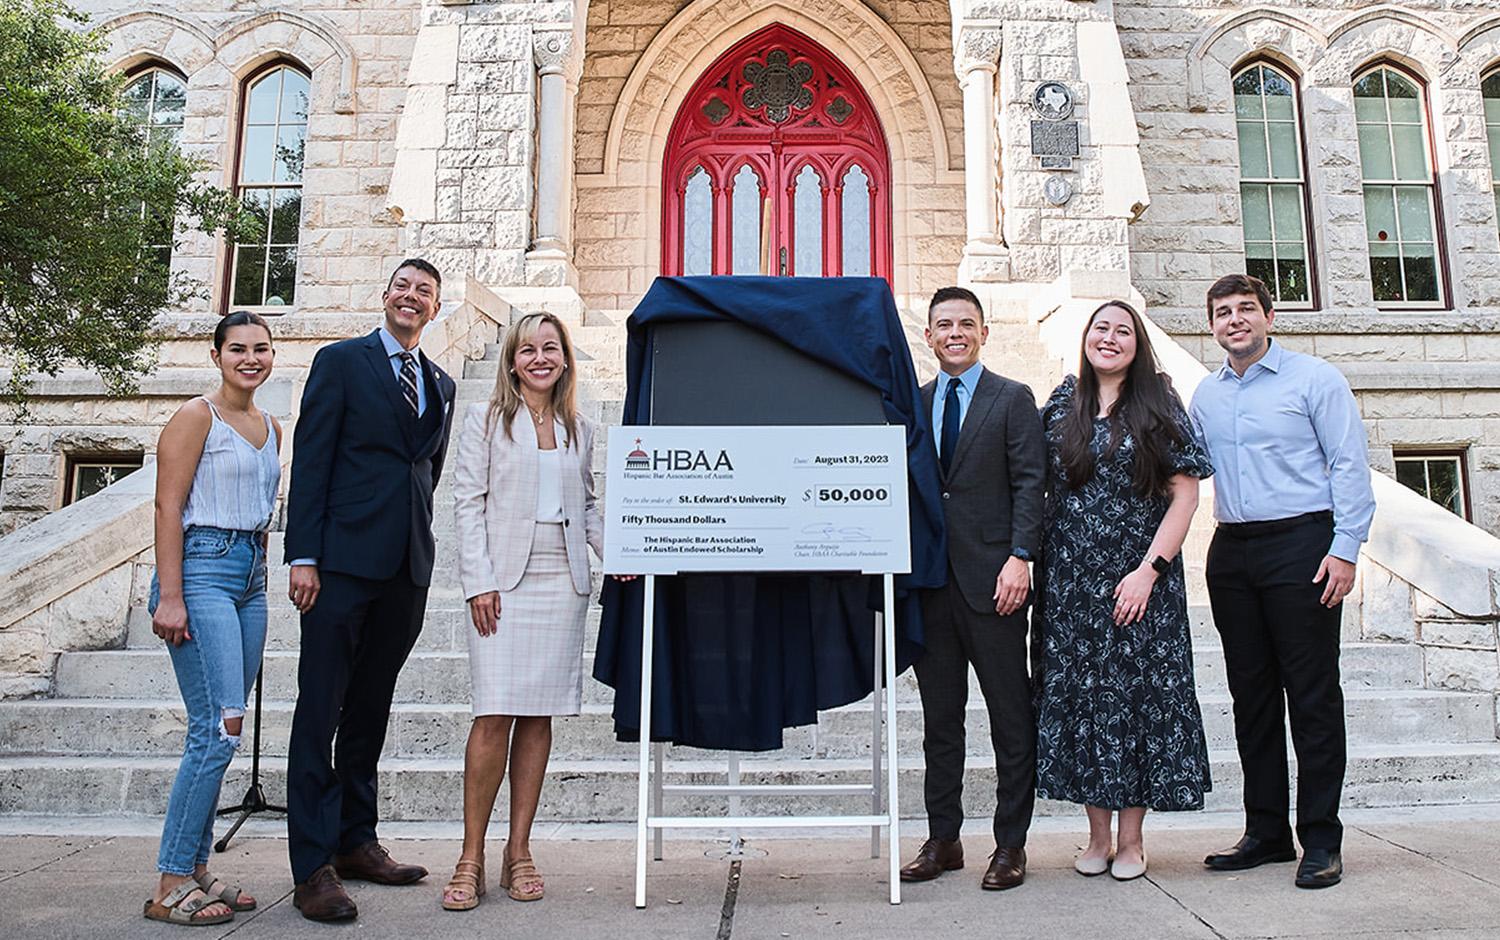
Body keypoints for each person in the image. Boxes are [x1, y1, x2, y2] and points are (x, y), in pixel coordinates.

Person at [283, 258, 457, 921]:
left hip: (406, 568)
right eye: (403, 286)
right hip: (340, 565)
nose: (412, 297)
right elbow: (312, 458)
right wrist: (304, 554)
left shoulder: (441, 383)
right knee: (320, 710)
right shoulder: (340, 362)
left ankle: (357, 840)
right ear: (385, 295)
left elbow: (426, 470)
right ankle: (312, 867)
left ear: (435, 309)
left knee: (370, 709)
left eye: (425, 292)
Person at [1190, 273, 1374, 890]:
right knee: (1253, 699)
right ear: (1211, 326)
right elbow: (1185, 469)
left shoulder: (1315, 379)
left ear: (1269, 317)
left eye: (1246, 309)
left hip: (1303, 546)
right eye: (1223, 312)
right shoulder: (1206, 395)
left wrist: (1344, 549)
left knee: (1313, 697)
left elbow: (1349, 464)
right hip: (1232, 552)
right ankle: (1266, 831)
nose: (1235, 320)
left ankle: (1321, 839)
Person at [1033, 301, 1214, 882]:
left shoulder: (1157, 401)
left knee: (1137, 705)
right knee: (1085, 704)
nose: (1109, 338)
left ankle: (1132, 840)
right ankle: (1097, 837)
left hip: (1140, 583)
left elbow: (1185, 494)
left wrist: (1149, 570)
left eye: (1123, 331)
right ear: (1085, 337)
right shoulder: (1063, 402)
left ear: (1137, 345)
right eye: (1101, 328)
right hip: (1071, 589)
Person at [440, 312, 609, 911]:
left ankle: (519, 851)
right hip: (502, 582)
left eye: (550, 348)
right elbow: (467, 503)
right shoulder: (485, 421)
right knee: (493, 715)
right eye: (528, 349)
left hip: (562, 581)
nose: (540, 358)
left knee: (538, 717)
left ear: (565, 359)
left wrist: (622, 554)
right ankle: (470, 856)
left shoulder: (579, 428)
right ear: (512, 361)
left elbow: (587, 507)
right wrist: (479, 582)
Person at [900, 286, 1046, 891]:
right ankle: (944, 839)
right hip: (932, 586)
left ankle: (1010, 845)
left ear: (984, 333)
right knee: (941, 722)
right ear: (929, 336)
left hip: (996, 584)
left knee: (1011, 718)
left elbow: (1031, 482)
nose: (954, 333)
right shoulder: (915, 402)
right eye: (944, 325)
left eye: (965, 324)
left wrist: (1021, 557)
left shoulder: (1012, 398)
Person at [143, 311, 282, 926]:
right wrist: (170, 595)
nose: (251, 359)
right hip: (201, 572)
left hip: (251, 577)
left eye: (261, 349)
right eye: (238, 349)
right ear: (216, 355)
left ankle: (197, 868)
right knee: (218, 729)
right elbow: (167, 505)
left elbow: (262, 509)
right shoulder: (197, 416)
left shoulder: (272, 427)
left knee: (222, 729)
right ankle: (170, 881)